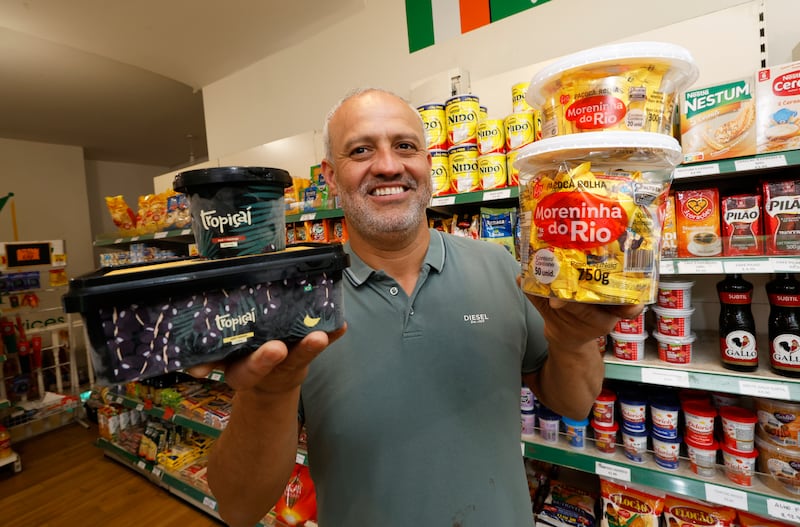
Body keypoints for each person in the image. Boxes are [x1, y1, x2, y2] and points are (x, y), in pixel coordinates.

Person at [193, 88, 643, 527]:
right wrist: (269, 393)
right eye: (361, 150)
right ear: (329, 176)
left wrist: (573, 340)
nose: (388, 166)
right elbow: (238, 507)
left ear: (428, 164)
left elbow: (574, 403)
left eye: (405, 146)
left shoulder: (500, 266)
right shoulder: (294, 301)